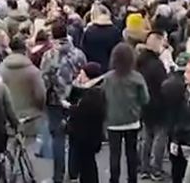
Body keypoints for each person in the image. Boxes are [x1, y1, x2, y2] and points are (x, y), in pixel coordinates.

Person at [40, 21, 87, 183]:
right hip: (75, 100)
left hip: (55, 101)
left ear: (53, 36)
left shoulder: (49, 56)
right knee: (75, 136)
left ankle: (58, 176)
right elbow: (84, 76)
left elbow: (44, 79)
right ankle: (73, 173)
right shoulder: (78, 54)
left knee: (58, 138)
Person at [100, 43, 149, 183]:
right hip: (132, 120)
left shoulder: (108, 78)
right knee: (131, 154)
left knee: (114, 154)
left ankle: (114, 179)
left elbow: (102, 97)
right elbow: (145, 99)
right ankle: (132, 179)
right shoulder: (137, 77)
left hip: (113, 121)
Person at [0, 36, 45, 139]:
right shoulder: (33, 71)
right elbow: (40, 95)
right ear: (25, 50)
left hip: (7, 118)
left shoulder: (0, 70)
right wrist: (39, 109)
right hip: (30, 118)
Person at [136, 32, 169, 181]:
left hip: (144, 103)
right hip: (159, 103)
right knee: (159, 137)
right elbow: (164, 85)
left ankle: (144, 167)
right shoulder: (157, 65)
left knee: (146, 136)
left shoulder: (139, 61)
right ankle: (156, 168)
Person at [67, 62, 106, 183]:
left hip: (87, 136)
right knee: (87, 165)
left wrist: (70, 108)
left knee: (87, 166)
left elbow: (82, 112)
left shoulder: (93, 94)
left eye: (82, 74)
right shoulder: (91, 91)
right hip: (88, 135)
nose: (79, 76)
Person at [81, 3, 122, 72]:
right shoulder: (115, 31)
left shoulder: (88, 32)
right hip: (110, 70)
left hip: (92, 70)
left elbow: (83, 51)